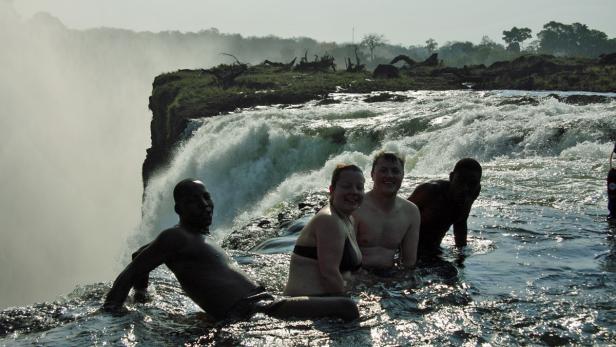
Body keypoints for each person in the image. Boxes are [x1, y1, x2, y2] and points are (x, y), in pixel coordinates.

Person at [103, 179, 359, 321]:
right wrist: (114, 310)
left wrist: (142, 293)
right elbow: (134, 267)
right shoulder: (175, 236)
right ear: (178, 210)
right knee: (348, 308)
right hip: (251, 311)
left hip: (263, 303)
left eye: (206, 197)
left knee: (337, 302)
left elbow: (141, 254)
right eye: (193, 201)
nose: (204, 205)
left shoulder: (194, 236)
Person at [284, 164, 364, 296]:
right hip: (306, 305)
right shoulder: (329, 220)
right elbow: (329, 274)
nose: (354, 191)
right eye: (346, 186)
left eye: (359, 187)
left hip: (325, 302)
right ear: (332, 190)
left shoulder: (349, 219)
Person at [353, 152, 421, 272]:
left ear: (403, 175)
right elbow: (342, 256)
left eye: (395, 171)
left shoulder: (411, 212)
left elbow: (409, 262)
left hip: (389, 278)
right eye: (383, 170)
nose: (389, 175)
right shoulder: (356, 207)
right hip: (357, 276)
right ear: (372, 174)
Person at [408, 158, 482, 257]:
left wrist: (461, 259)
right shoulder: (430, 191)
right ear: (451, 177)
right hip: (407, 248)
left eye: (472, 184)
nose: (465, 188)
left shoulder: (471, 194)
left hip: (434, 250)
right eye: (461, 181)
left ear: (478, 187)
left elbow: (461, 223)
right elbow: (398, 213)